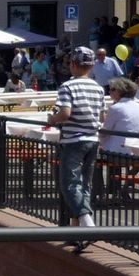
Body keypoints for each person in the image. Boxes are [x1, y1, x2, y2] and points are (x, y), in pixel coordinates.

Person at [48, 47, 105, 244]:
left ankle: (87, 225)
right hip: (93, 138)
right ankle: (77, 232)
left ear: (73, 64)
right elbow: (102, 116)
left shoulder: (67, 87)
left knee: (69, 184)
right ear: (91, 65)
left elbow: (65, 113)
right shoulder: (98, 88)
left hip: (73, 140)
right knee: (85, 184)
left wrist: (52, 119)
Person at [100, 78, 139, 156]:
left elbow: (105, 131)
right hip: (137, 149)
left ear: (120, 91)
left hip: (116, 151)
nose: (109, 91)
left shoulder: (115, 108)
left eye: (112, 89)